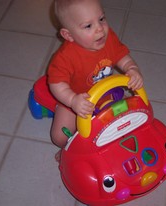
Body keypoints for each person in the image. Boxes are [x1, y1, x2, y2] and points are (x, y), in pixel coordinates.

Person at [48, 0, 143, 161]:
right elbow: (56, 83)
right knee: (59, 136)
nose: (100, 29)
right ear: (68, 35)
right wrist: (72, 100)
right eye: (88, 26)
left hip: (106, 94)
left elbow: (121, 56)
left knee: (129, 118)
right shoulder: (65, 57)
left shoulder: (108, 37)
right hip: (77, 100)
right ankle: (70, 151)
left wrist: (132, 69)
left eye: (101, 19)